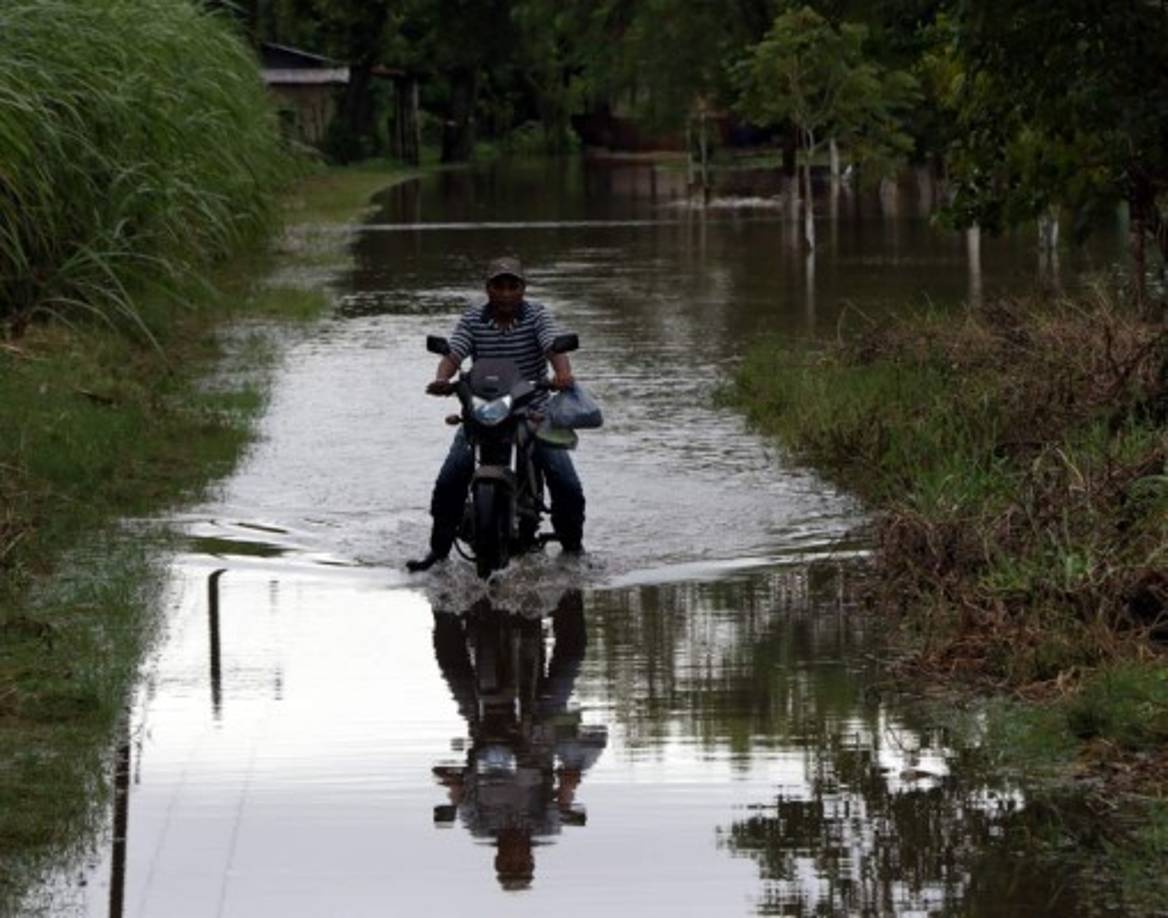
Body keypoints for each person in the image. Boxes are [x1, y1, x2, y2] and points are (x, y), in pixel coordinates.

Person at [407, 257, 586, 572]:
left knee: (565, 480)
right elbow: (454, 352)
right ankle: (438, 551)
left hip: (534, 410)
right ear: (487, 288)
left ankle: (573, 551)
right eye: (498, 285)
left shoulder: (537, 315)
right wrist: (442, 378)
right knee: (451, 475)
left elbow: (553, 347)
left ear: (522, 288)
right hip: (484, 410)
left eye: (512, 285)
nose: (505, 292)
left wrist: (562, 374)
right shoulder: (473, 318)